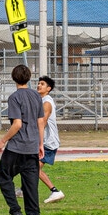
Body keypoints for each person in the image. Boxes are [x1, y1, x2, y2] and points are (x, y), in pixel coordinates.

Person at [0, 64, 45, 215]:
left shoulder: (15, 97)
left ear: (13, 78)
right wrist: (40, 143)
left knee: (4, 175)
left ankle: (16, 212)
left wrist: (3, 141)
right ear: (29, 77)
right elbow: (40, 122)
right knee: (30, 184)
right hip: (32, 146)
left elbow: (16, 124)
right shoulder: (36, 96)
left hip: (17, 147)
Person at [36, 75, 65, 203]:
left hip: (48, 142)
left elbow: (43, 122)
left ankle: (55, 191)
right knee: (29, 166)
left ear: (48, 88)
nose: (38, 85)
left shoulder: (47, 102)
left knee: (34, 168)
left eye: (42, 84)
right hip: (43, 141)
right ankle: (24, 189)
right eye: (38, 83)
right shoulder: (41, 100)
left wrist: (38, 142)